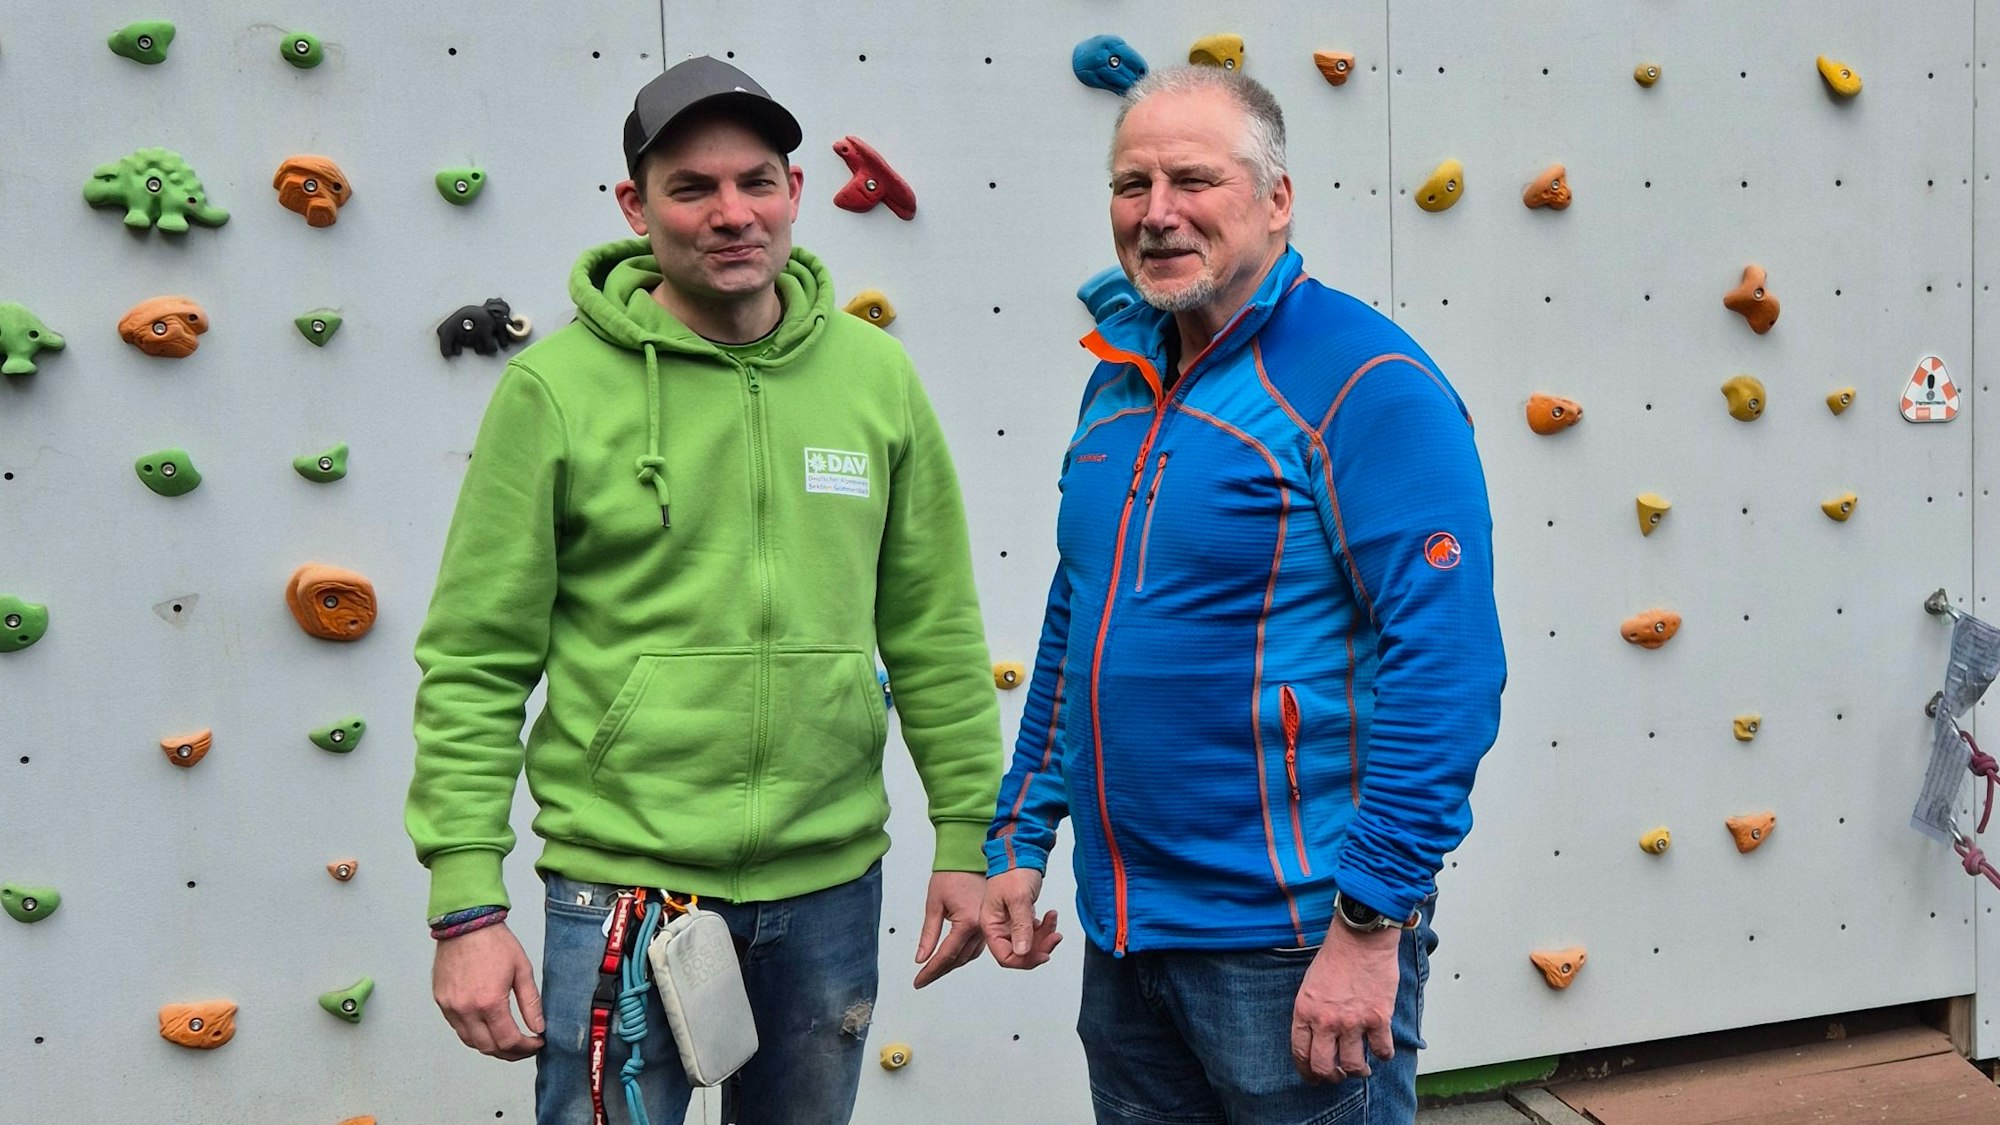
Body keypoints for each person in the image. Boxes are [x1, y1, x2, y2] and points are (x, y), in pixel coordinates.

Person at [405, 55, 1004, 1125]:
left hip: (827, 887)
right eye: (692, 188)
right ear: (635, 208)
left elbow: (934, 630)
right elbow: (476, 660)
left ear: (794, 191)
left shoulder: (875, 379)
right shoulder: (553, 392)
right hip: (623, 888)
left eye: (756, 181)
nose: (732, 213)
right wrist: (465, 903)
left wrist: (968, 837)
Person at [981, 65, 1506, 1124]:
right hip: (1126, 940)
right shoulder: (1117, 380)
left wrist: (1369, 923)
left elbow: (1447, 669)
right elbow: (1076, 621)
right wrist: (1019, 835)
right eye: (1131, 185)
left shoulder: (1363, 380)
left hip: (1293, 946)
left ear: (1276, 200)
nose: (1157, 212)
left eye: (1192, 180)